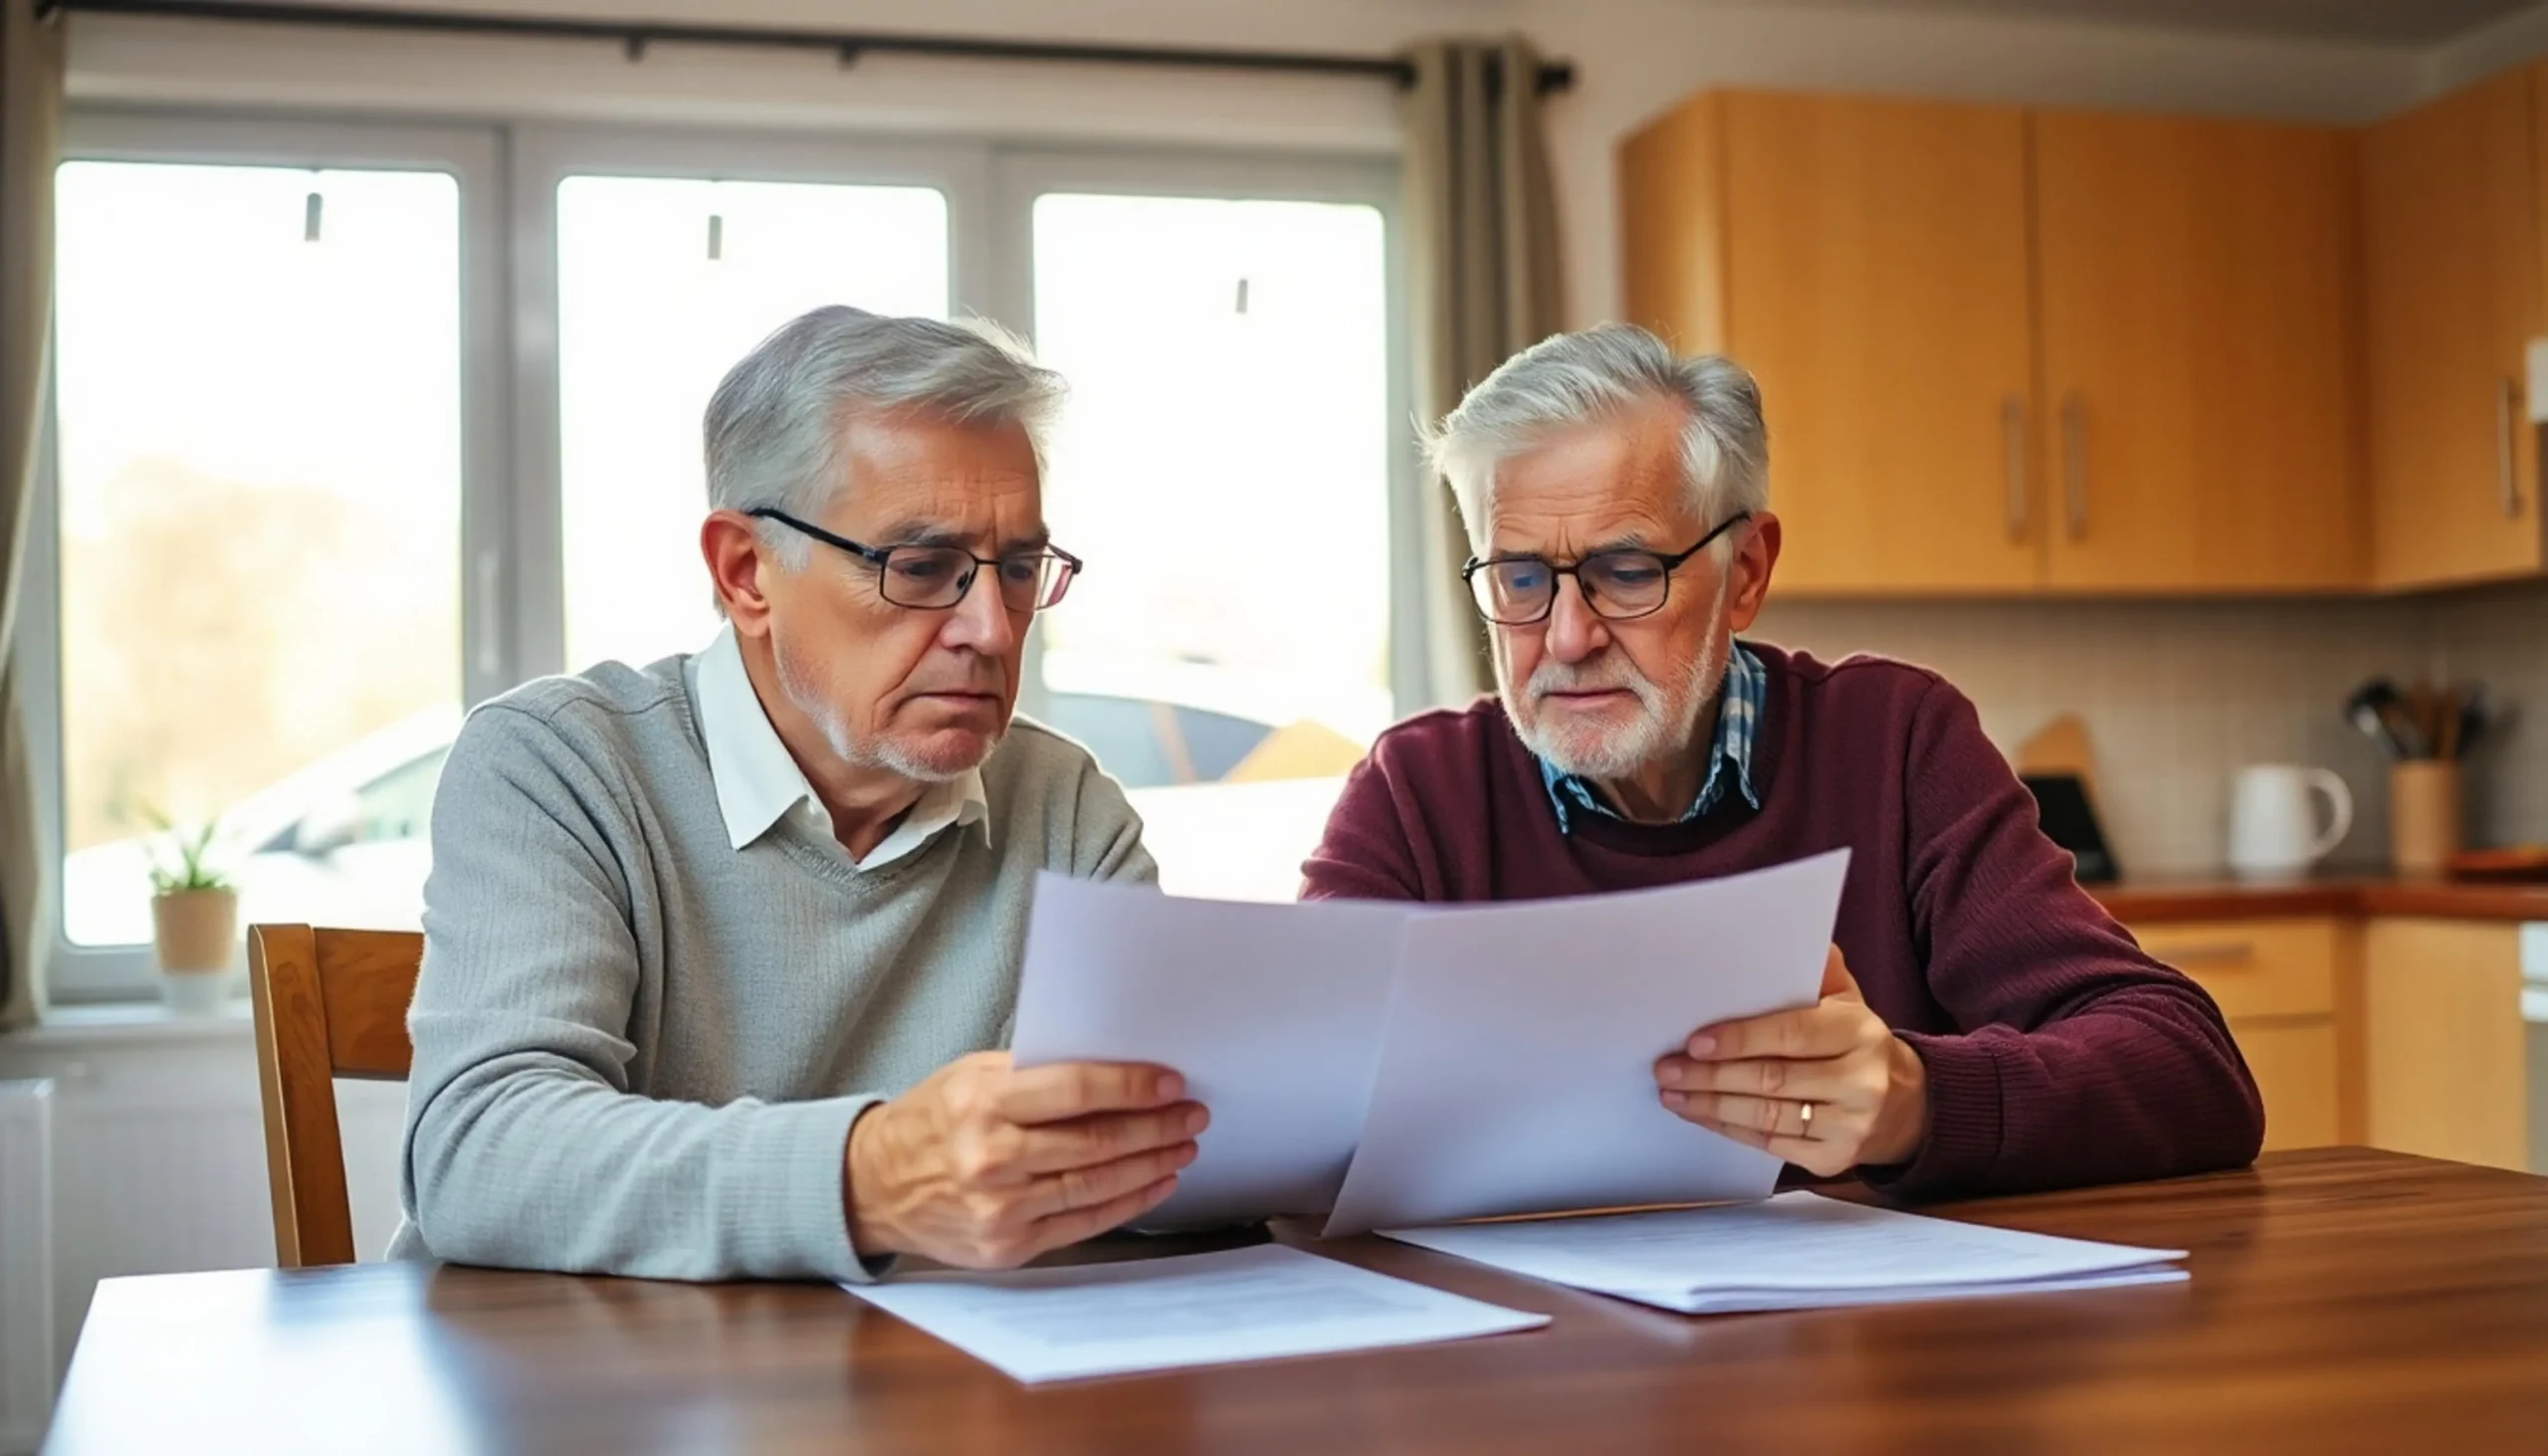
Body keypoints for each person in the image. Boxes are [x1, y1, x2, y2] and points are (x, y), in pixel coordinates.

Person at [1302, 323, 2262, 1199]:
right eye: (1519, 577)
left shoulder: (1896, 742)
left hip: (1858, 1365)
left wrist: (1917, 1100)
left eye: (1628, 572)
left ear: (1747, 571)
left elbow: (2190, 1069)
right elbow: (1281, 1104)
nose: (1566, 635)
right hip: (1523, 1364)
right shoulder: (1415, 793)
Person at [394, 306, 1204, 1281]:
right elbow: (481, 1151)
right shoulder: (557, 763)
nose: (991, 627)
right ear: (746, 574)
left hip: (931, 1387)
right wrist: (870, 1173)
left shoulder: (1065, 805)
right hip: (582, 1389)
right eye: (922, 566)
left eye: (1020, 567)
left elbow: (1169, 1153)